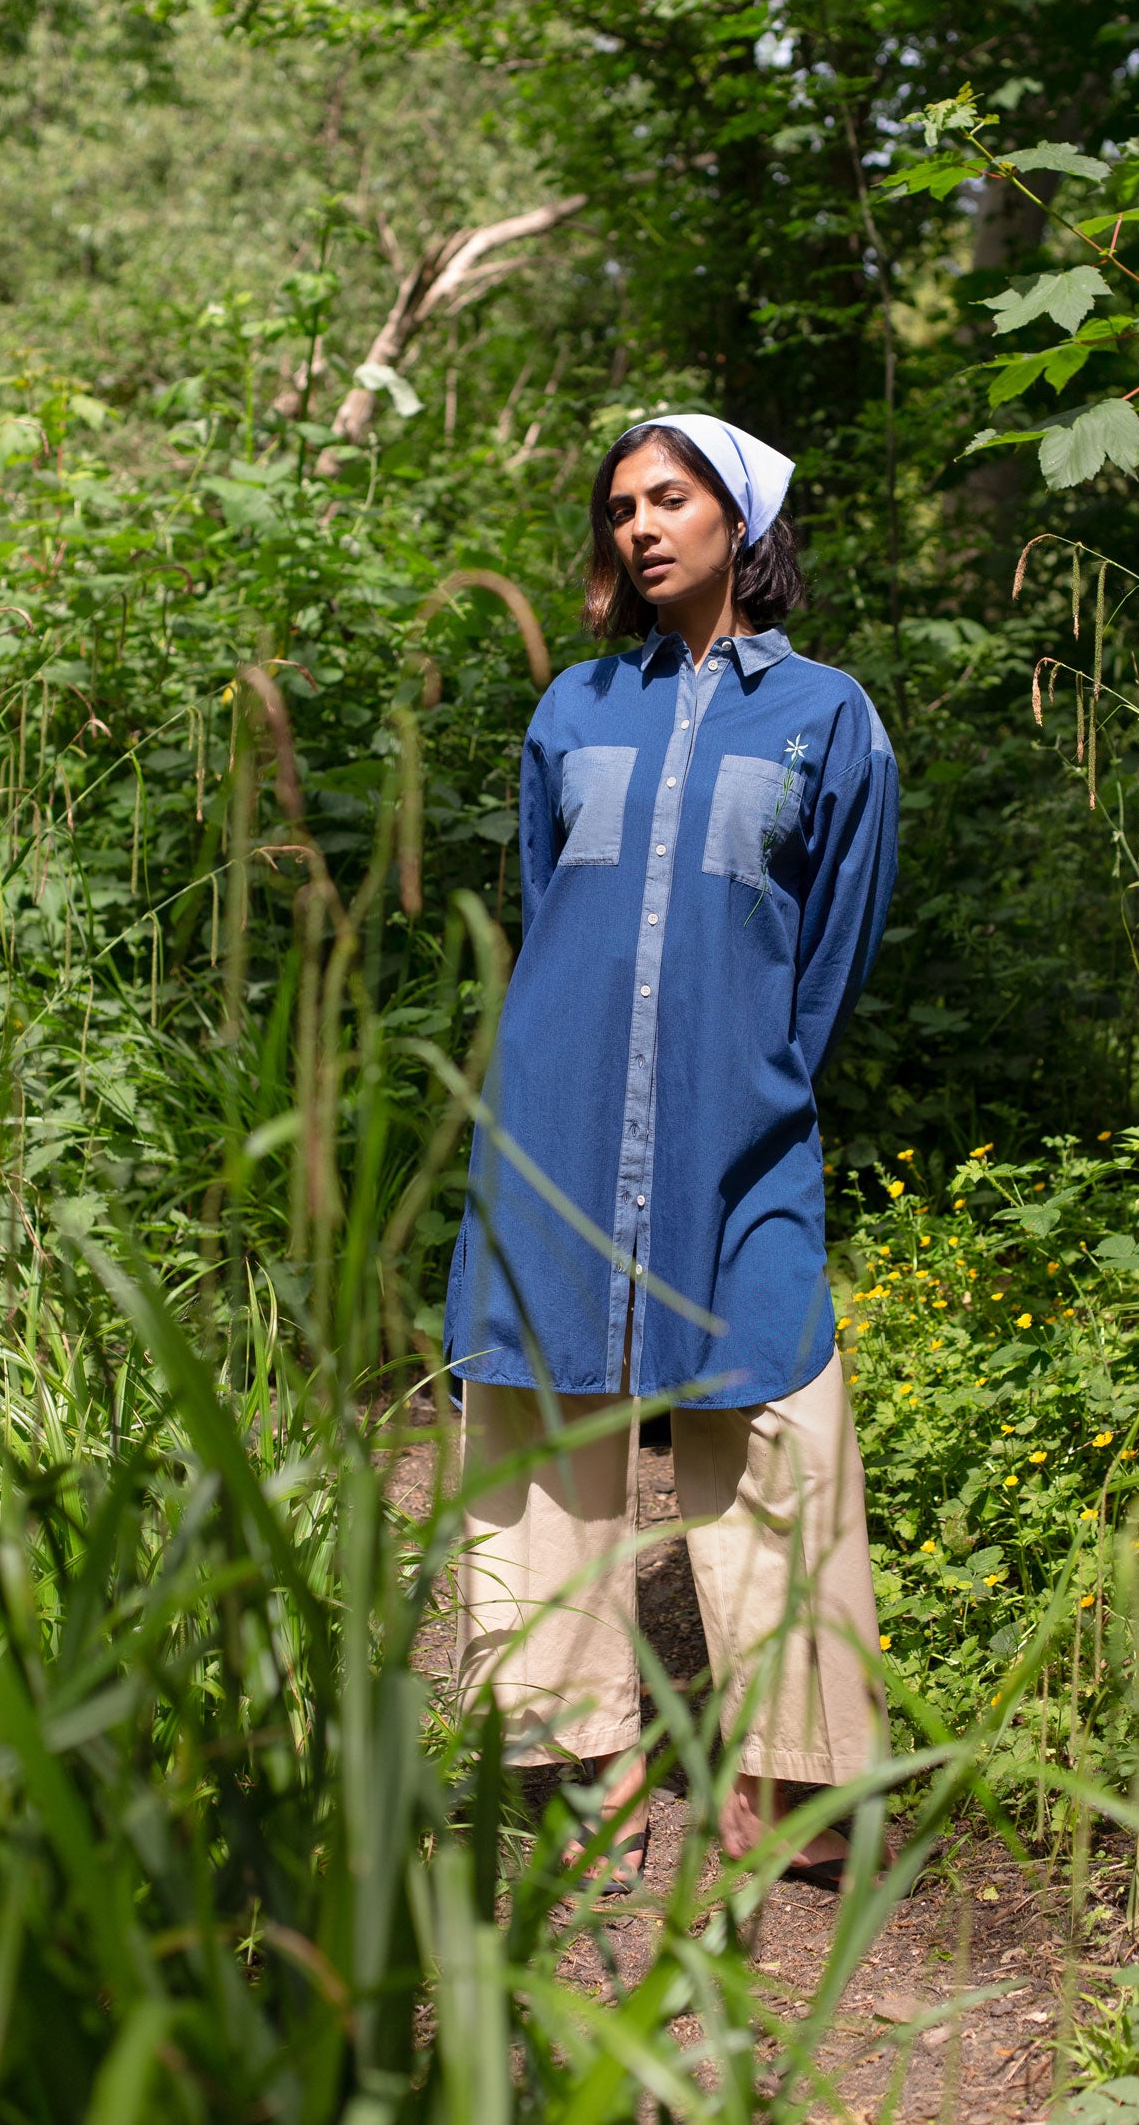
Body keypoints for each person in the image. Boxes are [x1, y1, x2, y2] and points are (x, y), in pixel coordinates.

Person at [445, 411, 899, 1890]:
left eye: (673, 498)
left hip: (738, 1112)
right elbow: (547, 911)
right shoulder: (572, 709)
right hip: (558, 1110)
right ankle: (572, 1747)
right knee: (546, 1407)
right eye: (622, 507)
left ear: (740, 518)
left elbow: (833, 945)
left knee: (774, 1405)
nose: (642, 526)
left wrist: (752, 1077)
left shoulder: (829, 716)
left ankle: (792, 1774)